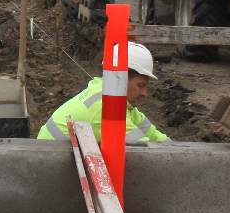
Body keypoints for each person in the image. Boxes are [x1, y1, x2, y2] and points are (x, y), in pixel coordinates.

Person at [36, 42, 169, 144]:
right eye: (140, 86)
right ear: (120, 79)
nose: (145, 93)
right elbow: (143, 149)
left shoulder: (121, 102)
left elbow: (153, 135)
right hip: (49, 164)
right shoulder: (105, 106)